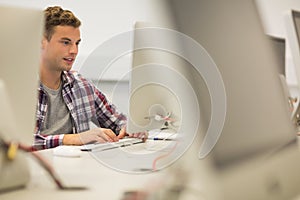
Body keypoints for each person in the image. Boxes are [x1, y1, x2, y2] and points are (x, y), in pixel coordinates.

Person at [34, 6, 139, 150]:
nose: (74, 51)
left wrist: (131, 128)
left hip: (74, 168)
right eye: (66, 42)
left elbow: (117, 123)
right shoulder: (16, 86)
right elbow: (15, 142)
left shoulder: (80, 84)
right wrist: (73, 138)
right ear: (42, 41)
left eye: (77, 43)